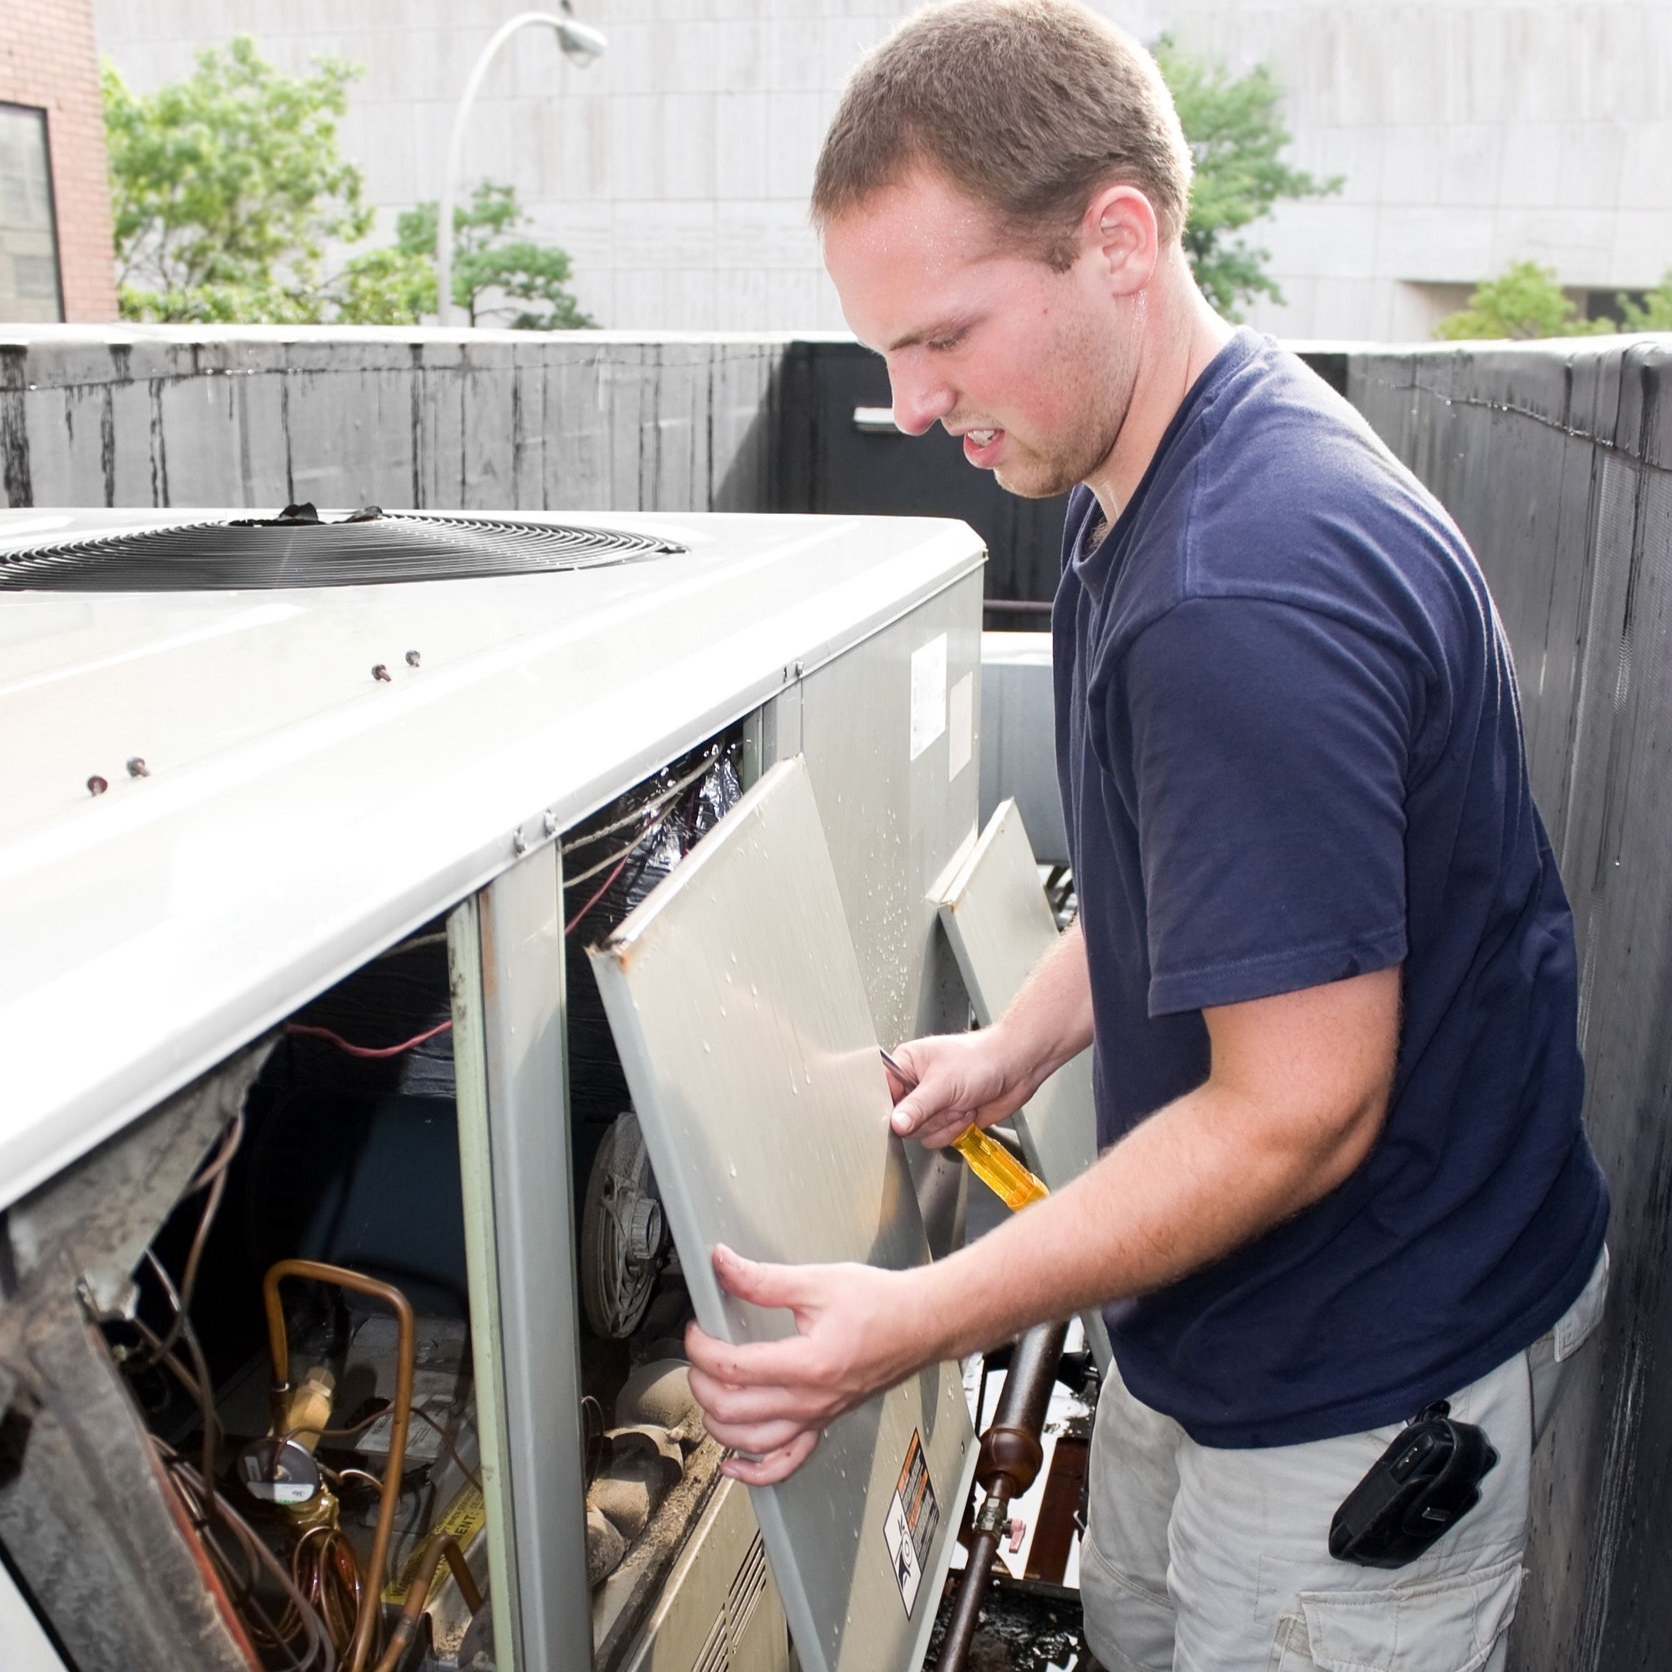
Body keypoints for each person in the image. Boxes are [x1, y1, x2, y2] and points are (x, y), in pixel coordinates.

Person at [682, 3, 1611, 1667]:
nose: (905, 406)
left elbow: (1297, 1118)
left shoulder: (1241, 584)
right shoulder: (1149, 479)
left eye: (945, 335)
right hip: (1225, 1328)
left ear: (1118, 237)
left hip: (1356, 1380)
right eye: (883, 346)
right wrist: (1013, 1048)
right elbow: (1213, 890)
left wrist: (907, 1324)